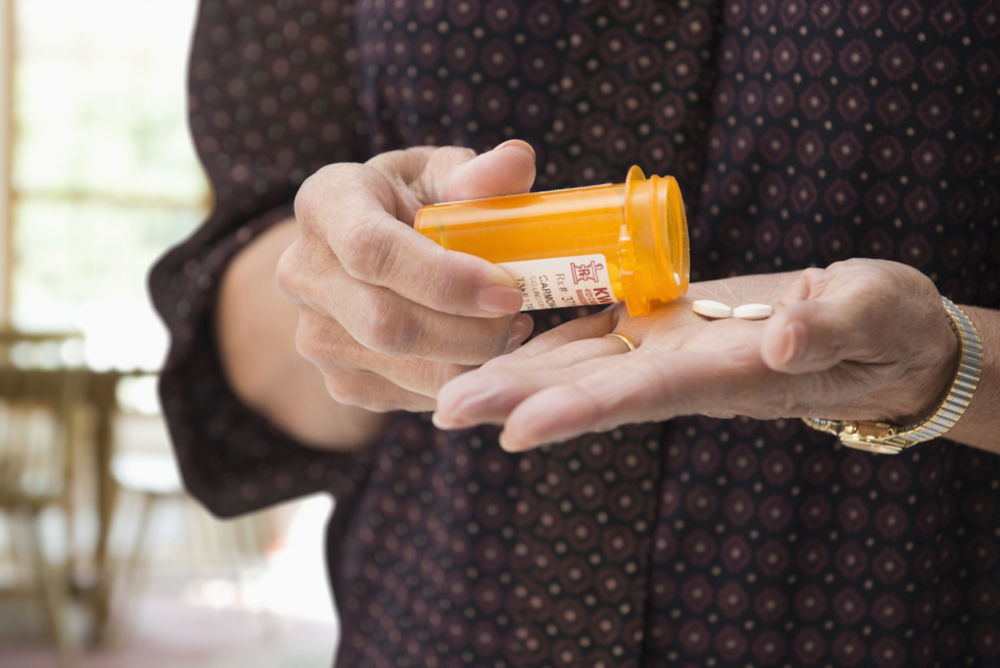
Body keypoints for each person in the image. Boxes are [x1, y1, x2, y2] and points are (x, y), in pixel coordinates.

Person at [150, 0, 1000, 664]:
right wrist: (364, 297)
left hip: (897, 615)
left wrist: (946, 364)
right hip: (438, 623)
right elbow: (249, 297)